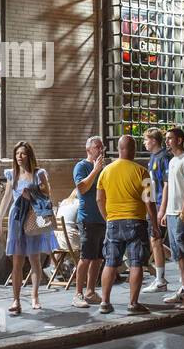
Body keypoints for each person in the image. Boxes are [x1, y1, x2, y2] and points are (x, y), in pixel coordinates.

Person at [0, 141, 57, 314]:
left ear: (29, 155)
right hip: (16, 219)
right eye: (17, 154)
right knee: (16, 261)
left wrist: (32, 194)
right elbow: (7, 198)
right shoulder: (12, 175)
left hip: (33, 217)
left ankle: (35, 296)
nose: (19, 157)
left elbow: (47, 195)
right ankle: (15, 300)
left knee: (34, 259)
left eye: (22, 154)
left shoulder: (39, 174)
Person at [96, 135, 156, 315]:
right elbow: (149, 201)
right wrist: (154, 224)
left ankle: (105, 303)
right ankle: (133, 304)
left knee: (110, 262)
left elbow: (99, 198)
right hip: (136, 221)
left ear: (119, 149)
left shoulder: (105, 171)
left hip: (113, 222)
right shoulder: (142, 171)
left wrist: (107, 218)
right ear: (134, 150)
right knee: (136, 263)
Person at [158, 127, 184, 311]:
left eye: (170, 138)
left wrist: (183, 211)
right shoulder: (173, 160)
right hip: (173, 212)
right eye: (166, 139)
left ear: (180, 140)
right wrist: (166, 211)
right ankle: (183, 290)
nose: (167, 142)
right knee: (177, 254)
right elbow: (170, 188)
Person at [71, 136, 107, 309]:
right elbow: (82, 188)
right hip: (87, 218)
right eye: (97, 147)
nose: (100, 150)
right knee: (85, 257)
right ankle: (77, 294)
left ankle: (90, 291)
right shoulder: (82, 166)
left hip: (102, 218)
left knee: (98, 258)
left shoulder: (104, 169)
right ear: (88, 150)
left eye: (102, 147)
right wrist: (95, 170)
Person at [142, 127, 170, 293]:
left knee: (155, 240)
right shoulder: (152, 158)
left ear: (153, 140)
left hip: (160, 204)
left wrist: (163, 210)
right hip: (153, 203)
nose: (144, 143)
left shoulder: (164, 157)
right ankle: (162, 275)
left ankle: (160, 280)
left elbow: (167, 184)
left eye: (146, 140)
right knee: (154, 241)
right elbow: (149, 184)